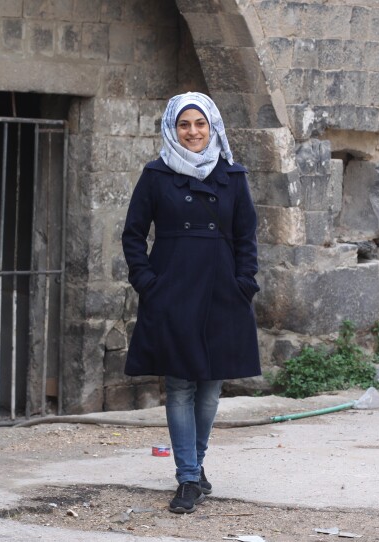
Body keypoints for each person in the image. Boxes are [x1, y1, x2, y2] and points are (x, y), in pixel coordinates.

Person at [121, 92, 261, 514]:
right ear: (172, 128)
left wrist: (244, 283)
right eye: (184, 124)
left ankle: (195, 466)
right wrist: (147, 282)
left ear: (212, 126)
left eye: (200, 123)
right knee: (180, 384)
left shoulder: (232, 175)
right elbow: (133, 234)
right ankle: (187, 477)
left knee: (211, 388)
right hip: (173, 290)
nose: (193, 132)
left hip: (222, 290)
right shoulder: (156, 174)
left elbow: (246, 237)